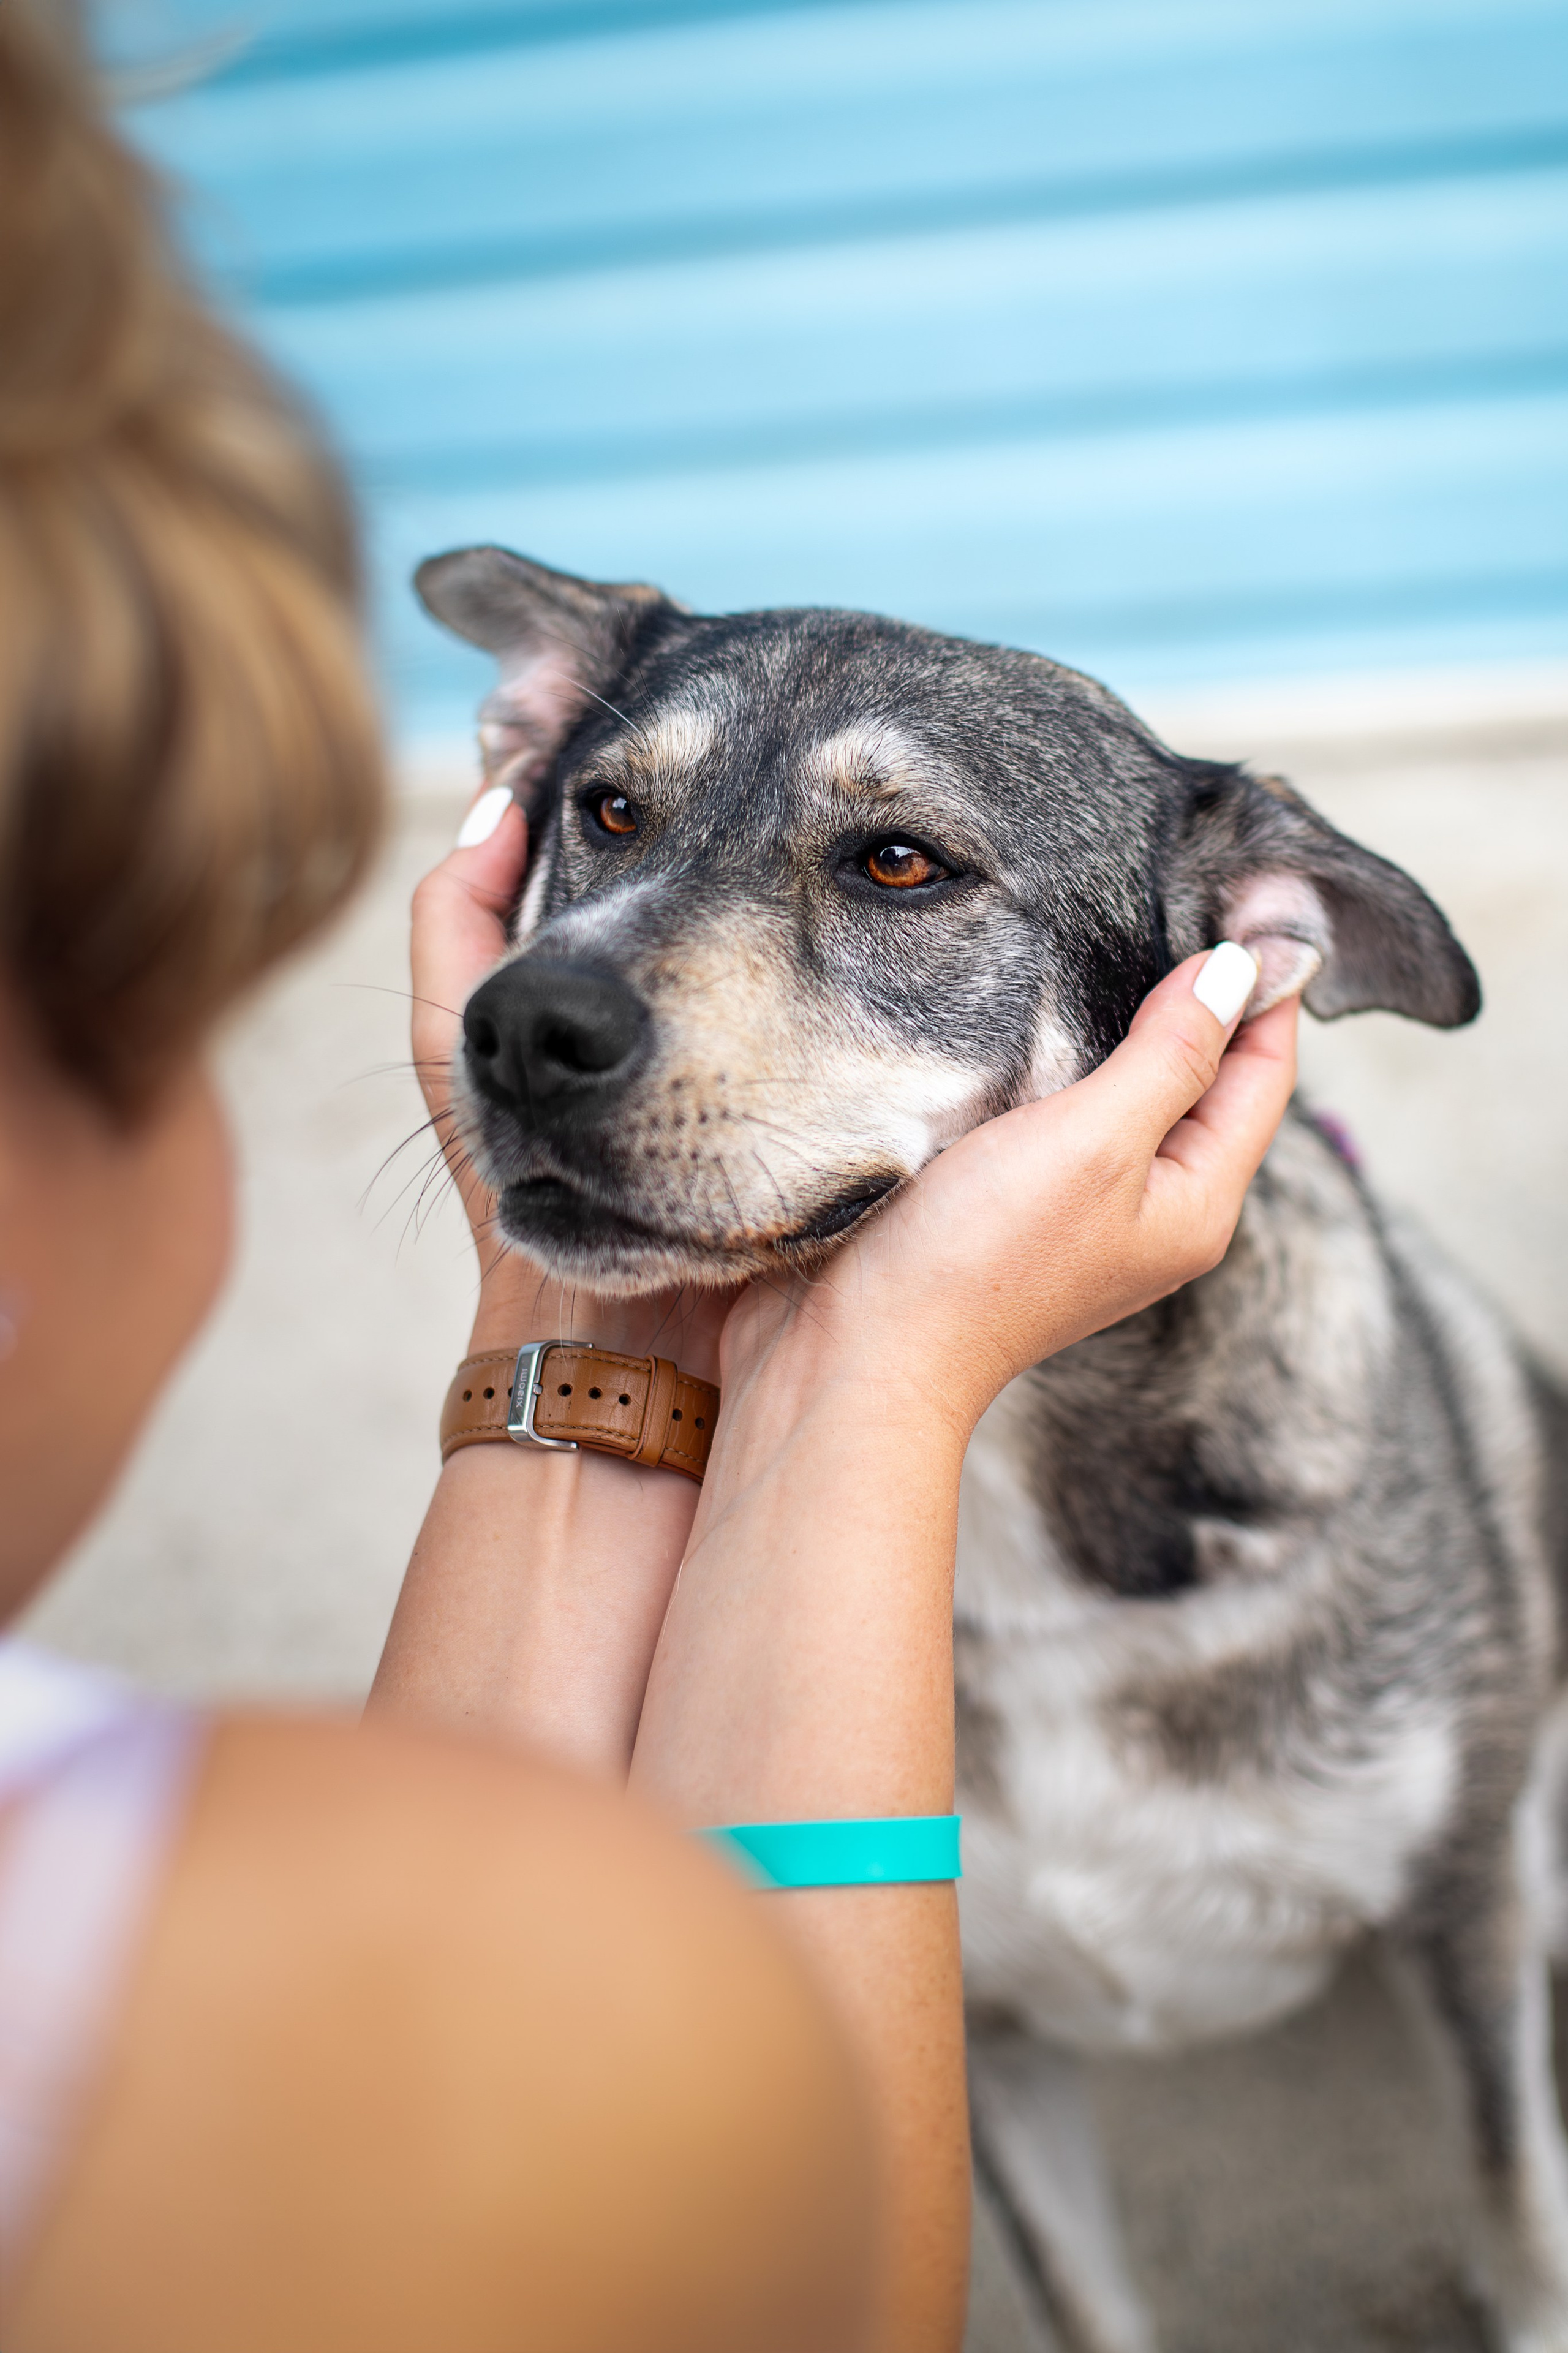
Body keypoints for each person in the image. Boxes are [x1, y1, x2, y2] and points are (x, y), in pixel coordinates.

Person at [0, 7, 1300, 2347]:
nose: (557, 1000)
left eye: (893, 863)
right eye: (609, 816)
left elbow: (477, 1952)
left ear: (1231, 964)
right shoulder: (169, 1948)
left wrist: (563, 1284)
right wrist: (863, 1387)